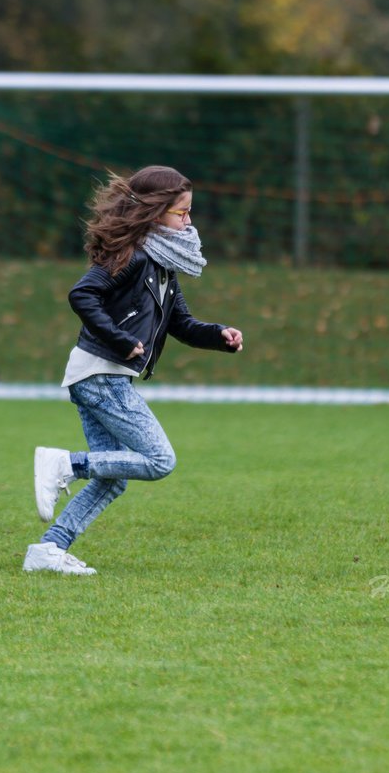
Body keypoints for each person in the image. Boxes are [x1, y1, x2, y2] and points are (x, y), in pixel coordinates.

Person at [26, 165, 244, 575]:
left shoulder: (162, 265)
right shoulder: (133, 257)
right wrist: (120, 340)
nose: (189, 221)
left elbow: (181, 324)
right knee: (160, 460)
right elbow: (82, 294)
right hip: (101, 374)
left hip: (98, 376)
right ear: (156, 211)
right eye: (182, 213)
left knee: (115, 475)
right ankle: (67, 464)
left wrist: (219, 335)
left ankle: (49, 549)